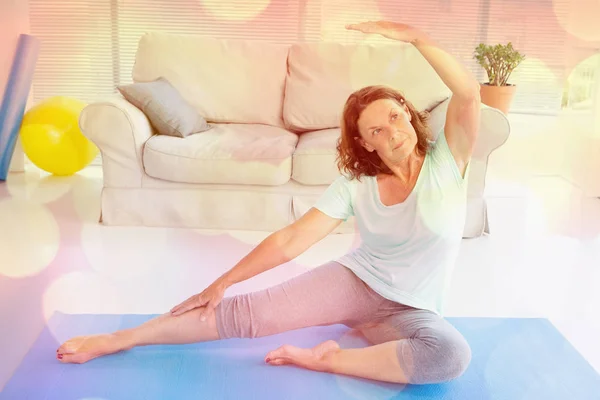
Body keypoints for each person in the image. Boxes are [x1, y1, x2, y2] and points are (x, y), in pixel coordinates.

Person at [56, 20, 481, 385]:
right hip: (357, 283)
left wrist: (416, 37)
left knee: (449, 356)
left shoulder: (448, 159)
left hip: (414, 309)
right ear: (366, 145)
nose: (392, 133)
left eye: (394, 117)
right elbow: (293, 239)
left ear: (407, 112)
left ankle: (330, 358)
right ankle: (119, 339)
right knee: (248, 315)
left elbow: (469, 94)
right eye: (375, 131)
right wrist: (221, 284)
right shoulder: (357, 183)